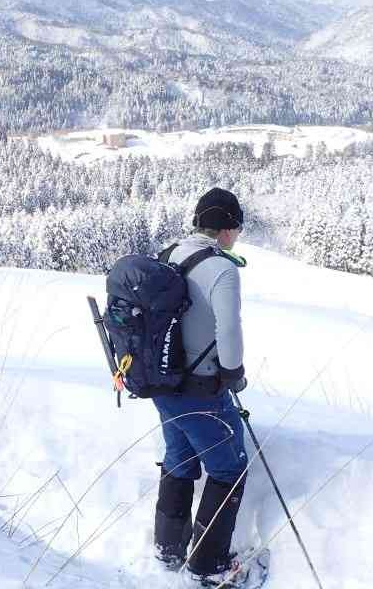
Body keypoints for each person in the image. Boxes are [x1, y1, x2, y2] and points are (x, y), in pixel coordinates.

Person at [151, 187, 250, 584]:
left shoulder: (169, 253)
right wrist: (234, 374)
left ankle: (168, 547)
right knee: (229, 469)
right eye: (237, 227)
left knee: (179, 455)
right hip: (200, 387)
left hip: (161, 381)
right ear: (227, 229)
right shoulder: (222, 269)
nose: (237, 235)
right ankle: (208, 566)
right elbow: (228, 329)